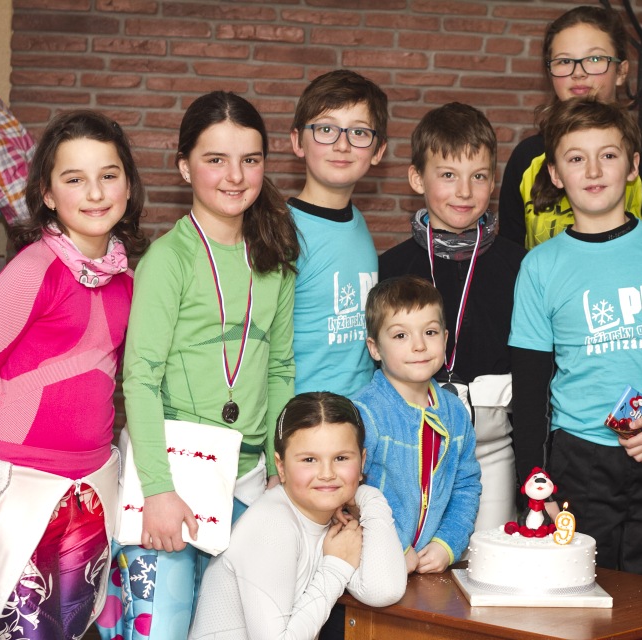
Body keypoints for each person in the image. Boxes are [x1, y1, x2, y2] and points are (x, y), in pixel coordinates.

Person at [98, 91, 298, 640]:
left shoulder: (277, 260)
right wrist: (159, 491)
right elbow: (140, 379)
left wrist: (279, 471)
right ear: (185, 167)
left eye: (250, 160)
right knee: (159, 630)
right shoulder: (169, 258)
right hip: (173, 481)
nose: (235, 176)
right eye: (216, 160)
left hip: (249, 483)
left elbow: (280, 370)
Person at [0, 109, 147, 640]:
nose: (95, 193)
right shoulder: (30, 272)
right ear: (46, 193)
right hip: (23, 483)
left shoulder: (127, 279)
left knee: (70, 628)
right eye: (74, 179)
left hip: (91, 485)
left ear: (128, 186)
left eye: (108, 175)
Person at [509, 97, 642, 578]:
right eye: (576, 158)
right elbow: (529, 390)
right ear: (555, 174)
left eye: (609, 155)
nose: (594, 170)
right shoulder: (539, 266)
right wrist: (536, 480)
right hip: (580, 460)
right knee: (581, 592)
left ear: (633, 166)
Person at [379, 102, 524, 531]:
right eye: (447, 175)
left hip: (491, 449)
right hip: (407, 444)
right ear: (416, 178)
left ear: (493, 182)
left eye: (478, 176)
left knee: (489, 558)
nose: (464, 192)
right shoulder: (389, 268)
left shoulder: (521, 267)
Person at [188, 392, 406, 640]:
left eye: (341, 458)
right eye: (309, 459)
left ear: (362, 461)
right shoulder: (272, 524)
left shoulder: (330, 519)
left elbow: (384, 590)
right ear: (281, 466)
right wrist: (336, 566)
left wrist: (370, 498)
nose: (327, 474)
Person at [498, 4, 642, 250]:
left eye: (595, 59)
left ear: (621, 72)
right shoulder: (526, 158)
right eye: (564, 61)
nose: (578, 72)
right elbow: (509, 254)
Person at [352, 275, 481, 574]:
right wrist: (396, 545)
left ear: (445, 339)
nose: (419, 346)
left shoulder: (455, 413)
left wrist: (447, 543)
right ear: (374, 348)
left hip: (427, 567)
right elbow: (348, 494)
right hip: (369, 564)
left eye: (430, 332)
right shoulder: (363, 414)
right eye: (401, 336)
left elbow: (465, 485)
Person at [289, 69, 387, 396]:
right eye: (326, 129)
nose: (342, 145)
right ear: (297, 141)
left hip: (362, 413)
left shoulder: (358, 223)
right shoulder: (280, 232)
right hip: (303, 414)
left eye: (359, 132)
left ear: (378, 151)